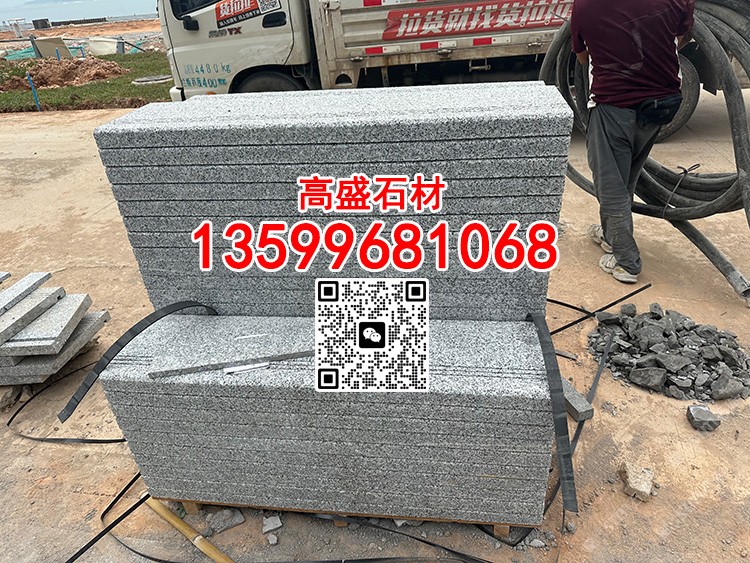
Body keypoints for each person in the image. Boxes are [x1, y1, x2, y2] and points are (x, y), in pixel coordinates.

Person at [571, 0, 695, 283]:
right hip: (662, 105)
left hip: (615, 105)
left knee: (611, 185)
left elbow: (582, 57)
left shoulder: (585, 5)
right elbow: (684, 35)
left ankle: (626, 262)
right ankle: (611, 235)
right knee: (625, 176)